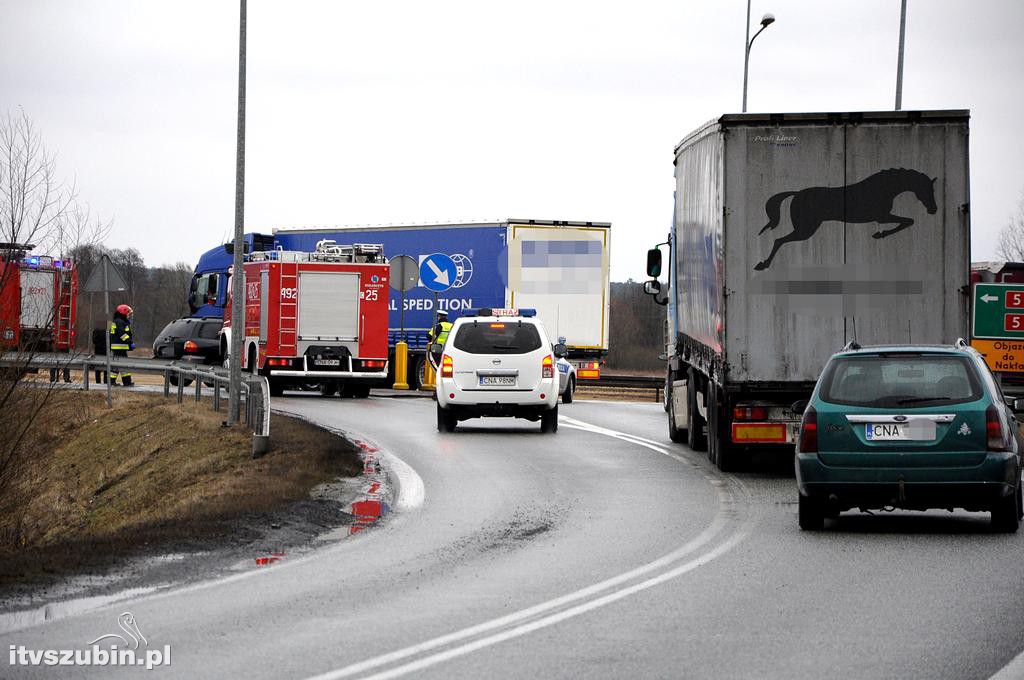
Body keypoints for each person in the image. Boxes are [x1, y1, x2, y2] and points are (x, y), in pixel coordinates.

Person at [109, 304, 135, 386]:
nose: (129, 315)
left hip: (120, 347)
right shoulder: (120, 322)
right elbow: (122, 334)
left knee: (123, 364)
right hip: (119, 347)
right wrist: (130, 342)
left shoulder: (119, 321)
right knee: (119, 364)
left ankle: (126, 382)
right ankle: (112, 382)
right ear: (123, 313)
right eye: (128, 313)